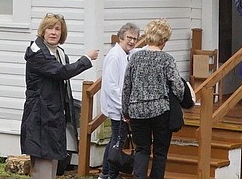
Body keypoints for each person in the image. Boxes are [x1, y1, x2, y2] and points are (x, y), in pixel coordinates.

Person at [20, 13, 98, 179]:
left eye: (57, 29)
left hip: (54, 117)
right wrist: (86, 59)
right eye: (49, 28)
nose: (53, 32)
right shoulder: (37, 53)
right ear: (43, 30)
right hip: (39, 117)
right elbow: (60, 72)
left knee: (52, 164)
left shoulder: (60, 53)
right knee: (42, 165)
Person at [122, 19, 185, 179]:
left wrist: (125, 111)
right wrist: (181, 100)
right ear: (163, 40)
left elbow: (126, 87)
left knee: (142, 150)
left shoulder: (134, 58)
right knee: (160, 152)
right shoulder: (167, 59)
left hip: (136, 110)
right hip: (160, 111)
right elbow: (178, 86)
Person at [99, 22, 140, 179]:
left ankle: (105, 172)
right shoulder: (115, 56)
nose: (131, 41)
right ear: (121, 37)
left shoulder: (126, 53)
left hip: (119, 107)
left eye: (134, 39)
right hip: (117, 108)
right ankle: (112, 174)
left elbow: (140, 50)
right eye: (129, 37)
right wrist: (124, 109)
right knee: (118, 141)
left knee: (114, 140)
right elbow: (111, 87)